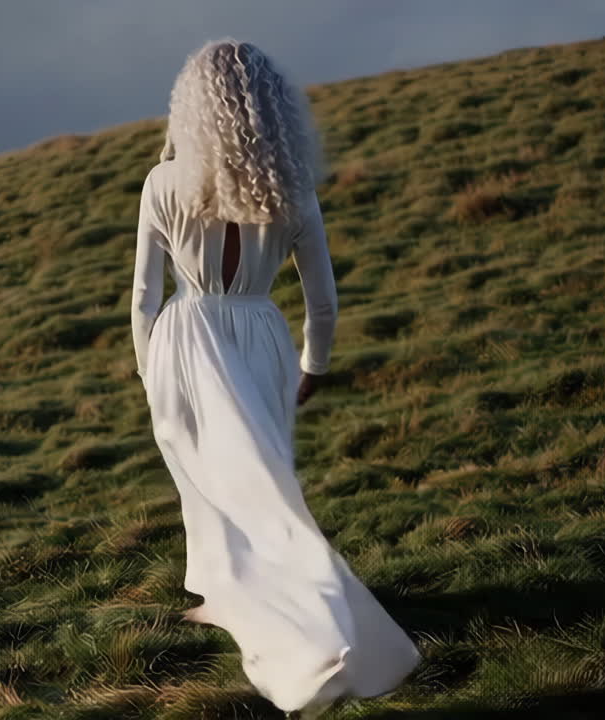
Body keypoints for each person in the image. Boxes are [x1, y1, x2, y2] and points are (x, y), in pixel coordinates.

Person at [131, 38, 422, 716]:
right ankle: (222, 598)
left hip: (184, 337)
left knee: (212, 479)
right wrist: (312, 366)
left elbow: (145, 296)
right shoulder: (291, 188)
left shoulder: (162, 184)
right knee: (263, 481)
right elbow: (322, 299)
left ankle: (305, 637)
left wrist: (150, 367)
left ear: (192, 108)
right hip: (262, 338)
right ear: (272, 111)